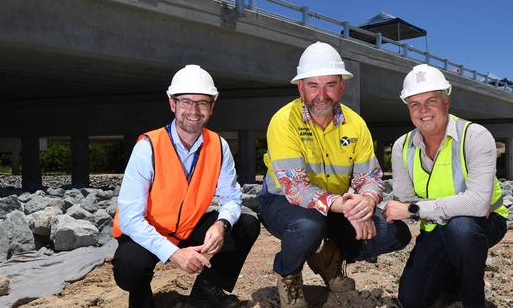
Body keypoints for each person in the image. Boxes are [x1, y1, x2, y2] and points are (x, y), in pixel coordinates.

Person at [257, 41, 412, 308]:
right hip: (283, 203)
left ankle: (329, 257)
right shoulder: (284, 121)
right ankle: (288, 274)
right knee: (308, 227)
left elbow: (371, 178)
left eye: (330, 84)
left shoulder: (356, 124)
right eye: (313, 85)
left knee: (395, 233)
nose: (322, 94)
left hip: (335, 206)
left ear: (342, 85)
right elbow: (296, 188)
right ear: (300, 87)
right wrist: (346, 206)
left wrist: (366, 202)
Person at [112, 64, 261, 308]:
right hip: (147, 231)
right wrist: (174, 254)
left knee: (246, 224)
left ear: (212, 105)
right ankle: (140, 295)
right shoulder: (148, 146)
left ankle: (206, 291)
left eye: (202, 102)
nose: (194, 110)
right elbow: (130, 219)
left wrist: (221, 225)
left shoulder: (219, 146)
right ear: (172, 103)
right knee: (131, 267)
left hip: (188, 229)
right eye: (186, 102)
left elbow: (232, 197)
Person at [382, 64, 509, 308]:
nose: (423, 110)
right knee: (412, 300)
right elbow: (404, 199)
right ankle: (452, 280)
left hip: (483, 222)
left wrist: (414, 210)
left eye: (431, 101)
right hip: (436, 228)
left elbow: (478, 204)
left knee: (461, 230)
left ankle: (473, 299)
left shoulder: (474, 136)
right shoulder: (402, 146)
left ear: (446, 103)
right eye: (414, 104)